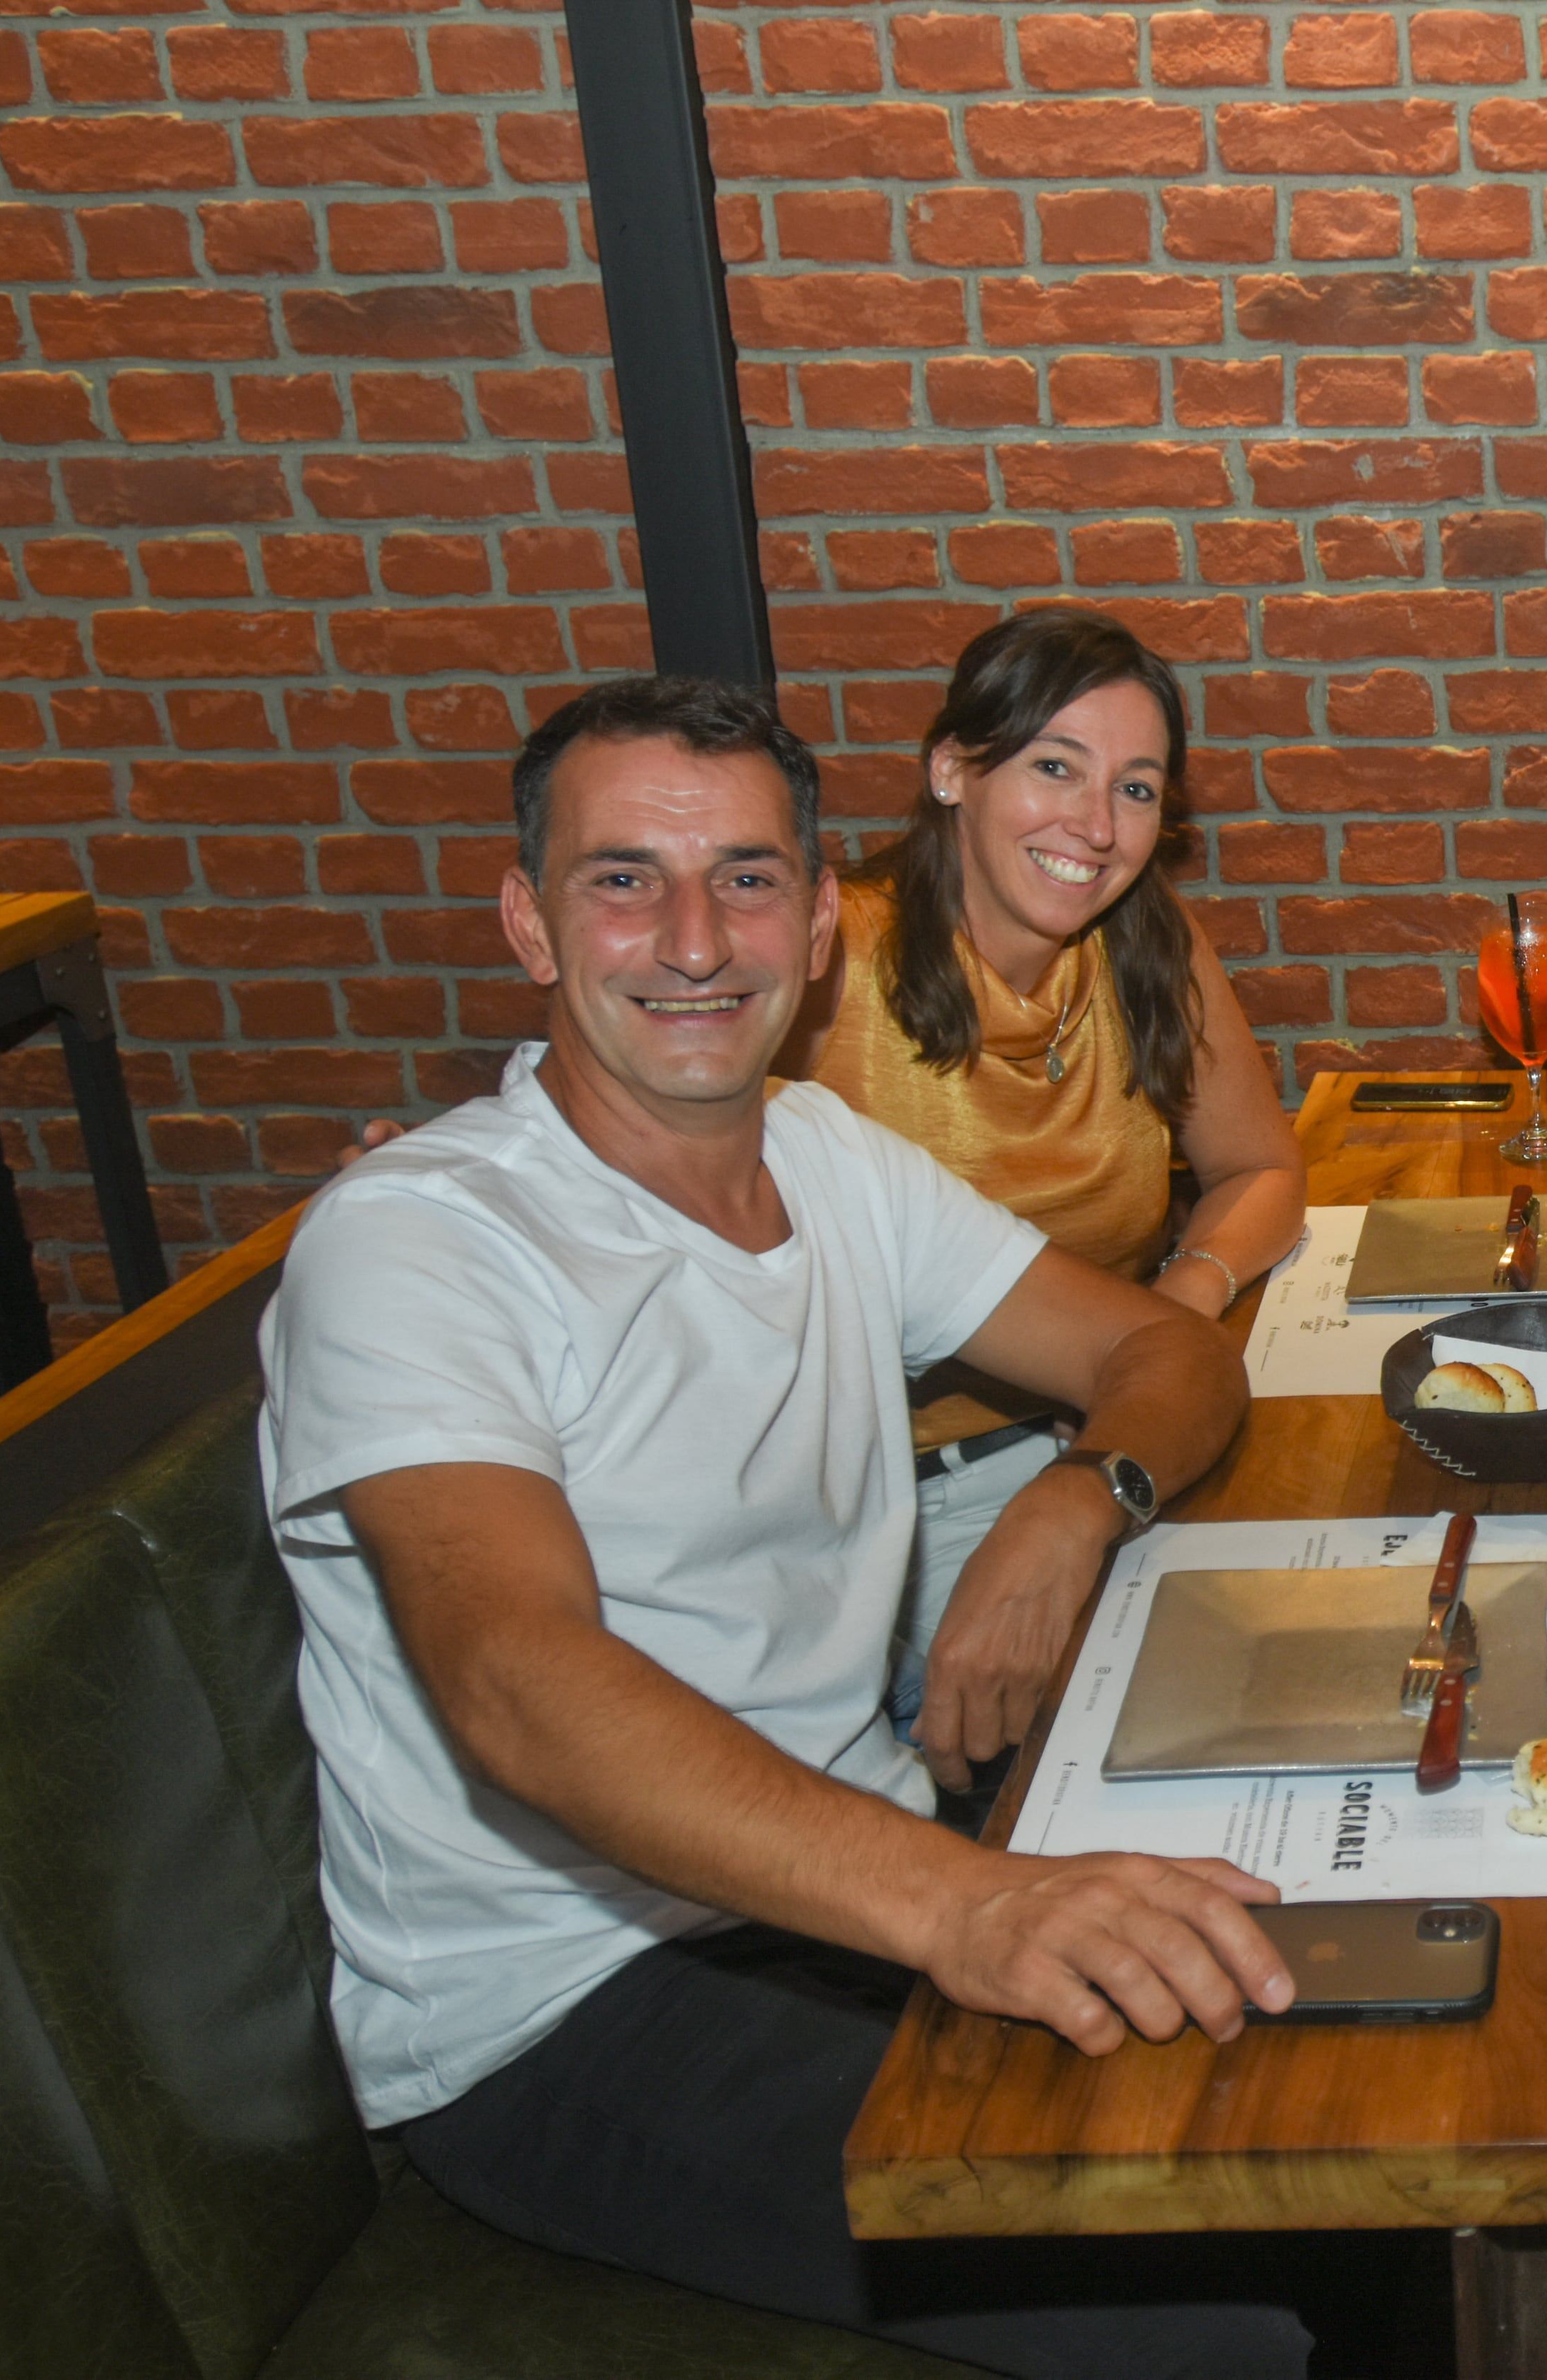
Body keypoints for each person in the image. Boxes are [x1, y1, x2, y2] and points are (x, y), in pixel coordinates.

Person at [262, 674, 1313, 2379]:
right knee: (1250, 2315)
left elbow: (1163, 1351)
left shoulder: (825, 1154)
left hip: (843, 1885)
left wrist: (1072, 1498)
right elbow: (517, 1678)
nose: (693, 938)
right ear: (530, 919)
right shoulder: (420, 1237)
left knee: (1344, 2104)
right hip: (565, 2001)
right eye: (624, 878)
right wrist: (971, 1906)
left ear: (821, 922)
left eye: (747, 878)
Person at [778, 607, 1305, 1794]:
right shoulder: (829, 960)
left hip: (1104, 1439)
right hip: (878, 1505)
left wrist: (1176, 1304)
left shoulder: (1143, 946)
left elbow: (1263, 1170)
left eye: (1135, 787)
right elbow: (654, 1094)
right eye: (1054, 766)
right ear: (952, 770)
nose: (1094, 824)